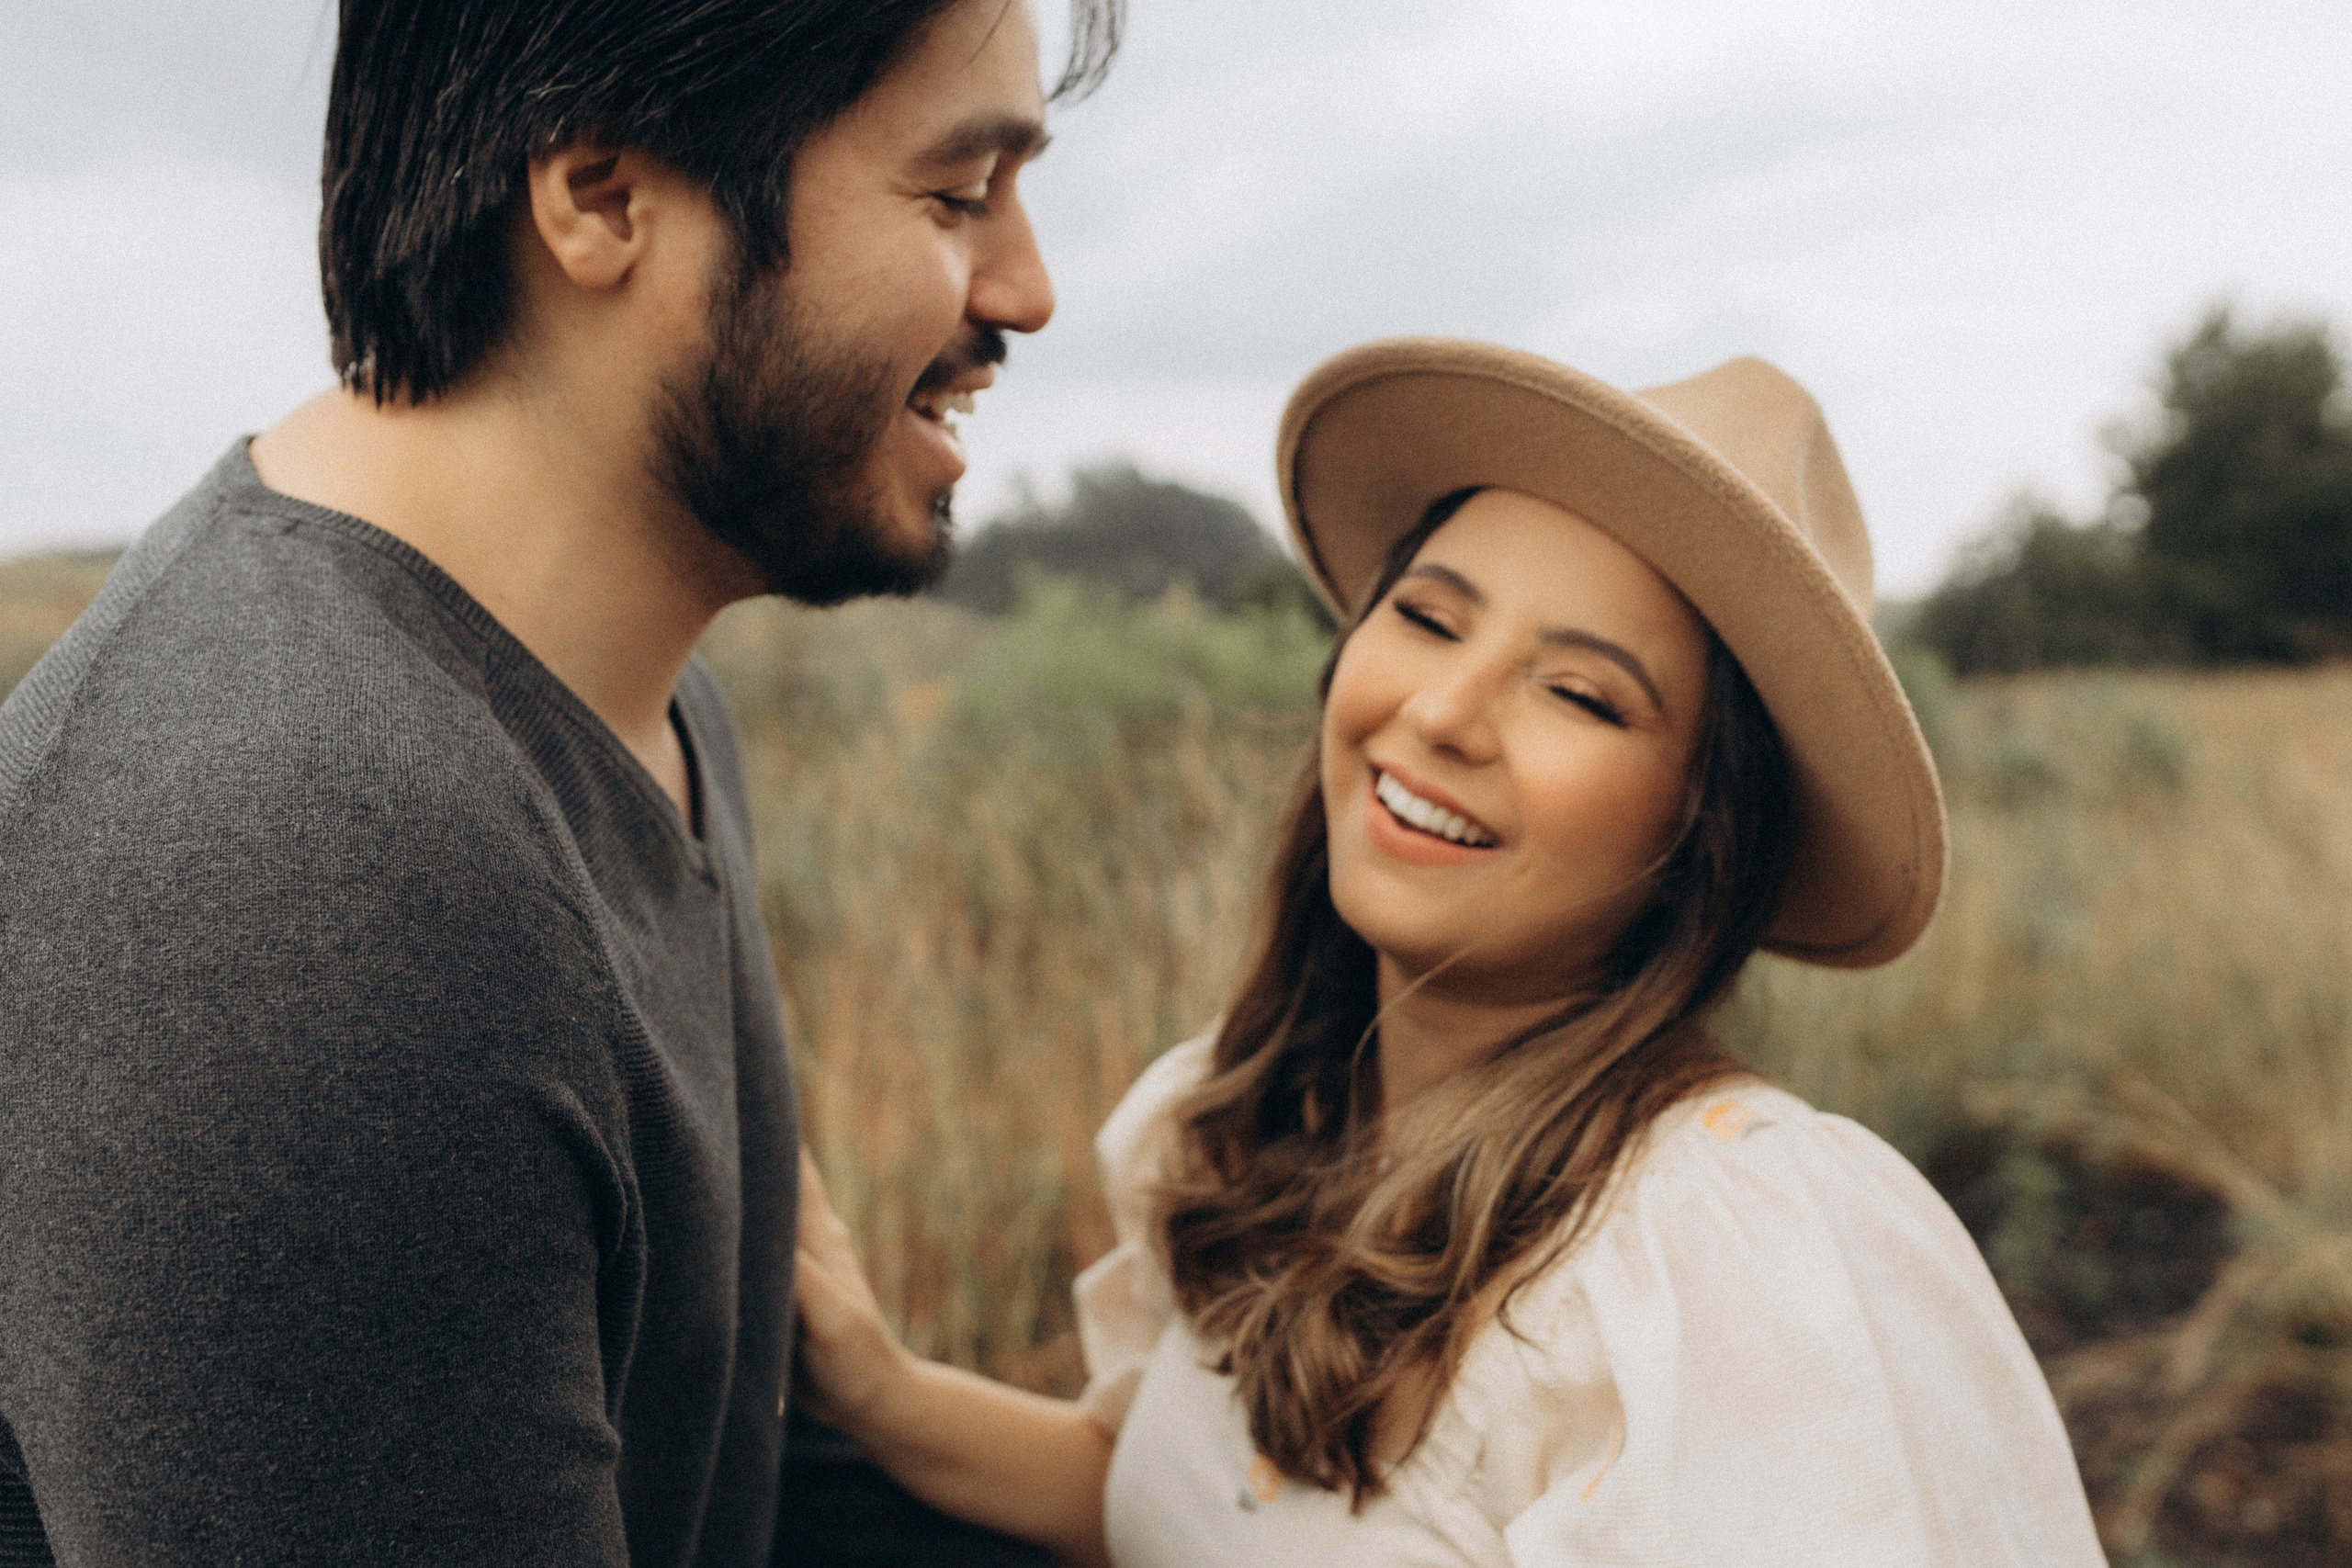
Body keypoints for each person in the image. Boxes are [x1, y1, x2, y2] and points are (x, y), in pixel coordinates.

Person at [0, 1, 1116, 1563]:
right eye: (954, 194)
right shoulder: (298, 875)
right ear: (599, 197)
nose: (1028, 290)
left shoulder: (637, 702)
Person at [791, 339, 2111, 1566]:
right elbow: (1144, 1492)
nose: (1440, 712)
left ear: (1703, 829)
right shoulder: (1257, 1115)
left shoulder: (1717, 1269)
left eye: (1581, 694)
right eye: (1428, 617)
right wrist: (875, 1382)